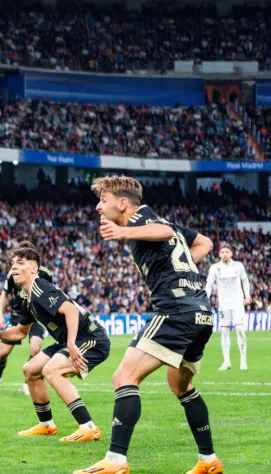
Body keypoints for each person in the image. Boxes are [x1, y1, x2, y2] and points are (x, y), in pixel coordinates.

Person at [75, 176, 221, 474]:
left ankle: (116, 460)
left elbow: (164, 231)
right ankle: (209, 461)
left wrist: (123, 231)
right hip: (201, 312)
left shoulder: (142, 218)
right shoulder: (154, 223)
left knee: (124, 376)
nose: (98, 207)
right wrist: (175, 271)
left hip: (176, 311)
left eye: (103, 200)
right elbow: (205, 242)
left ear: (122, 203)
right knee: (181, 385)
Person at [0, 244, 110, 443]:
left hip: (91, 338)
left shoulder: (40, 287)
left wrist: (71, 344)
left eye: (20, 263)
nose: (14, 267)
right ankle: (46, 425)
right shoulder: (28, 298)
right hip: (69, 340)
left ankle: (88, 427)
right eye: (12, 263)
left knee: (52, 370)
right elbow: (20, 332)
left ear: (34, 269)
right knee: (30, 369)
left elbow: (70, 310)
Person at [0, 250, 51, 395]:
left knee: (35, 348)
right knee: (3, 352)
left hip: (36, 315)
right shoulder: (12, 275)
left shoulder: (45, 274)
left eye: (20, 261)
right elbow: (5, 294)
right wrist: (0, 314)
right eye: (15, 262)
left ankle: (28, 381)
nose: (15, 265)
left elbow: (51, 295)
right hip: (18, 315)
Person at [205, 245, 251, 371]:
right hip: (223, 304)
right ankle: (226, 362)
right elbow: (209, 285)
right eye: (222, 252)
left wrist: (247, 296)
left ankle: (243, 359)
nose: (224, 254)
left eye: (227, 251)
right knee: (224, 332)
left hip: (237, 303)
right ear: (219, 254)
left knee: (240, 329)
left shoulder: (238, 266)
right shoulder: (215, 268)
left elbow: (245, 281)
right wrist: (205, 298)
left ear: (231, 253)